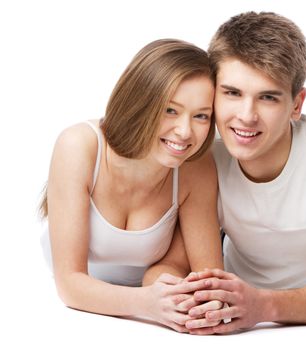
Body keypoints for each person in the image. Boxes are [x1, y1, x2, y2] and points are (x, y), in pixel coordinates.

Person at [178, 11, 306, 334]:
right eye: (232, 93)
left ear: (296, 104)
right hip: (232, 311)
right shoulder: (202, 150)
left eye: (268, 97)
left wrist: (262, 306)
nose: (246, 117)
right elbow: (174, 260)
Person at [39, 39, 224, 333]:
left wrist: (197, 303)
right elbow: (69, 284)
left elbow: (209, 278)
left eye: (201, 115)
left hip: (155, 297)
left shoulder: (196, 167)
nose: (186, 131)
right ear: (141, 102)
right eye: (170, 110)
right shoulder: (79, 147)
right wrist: (146, 303)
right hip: (88, 313)